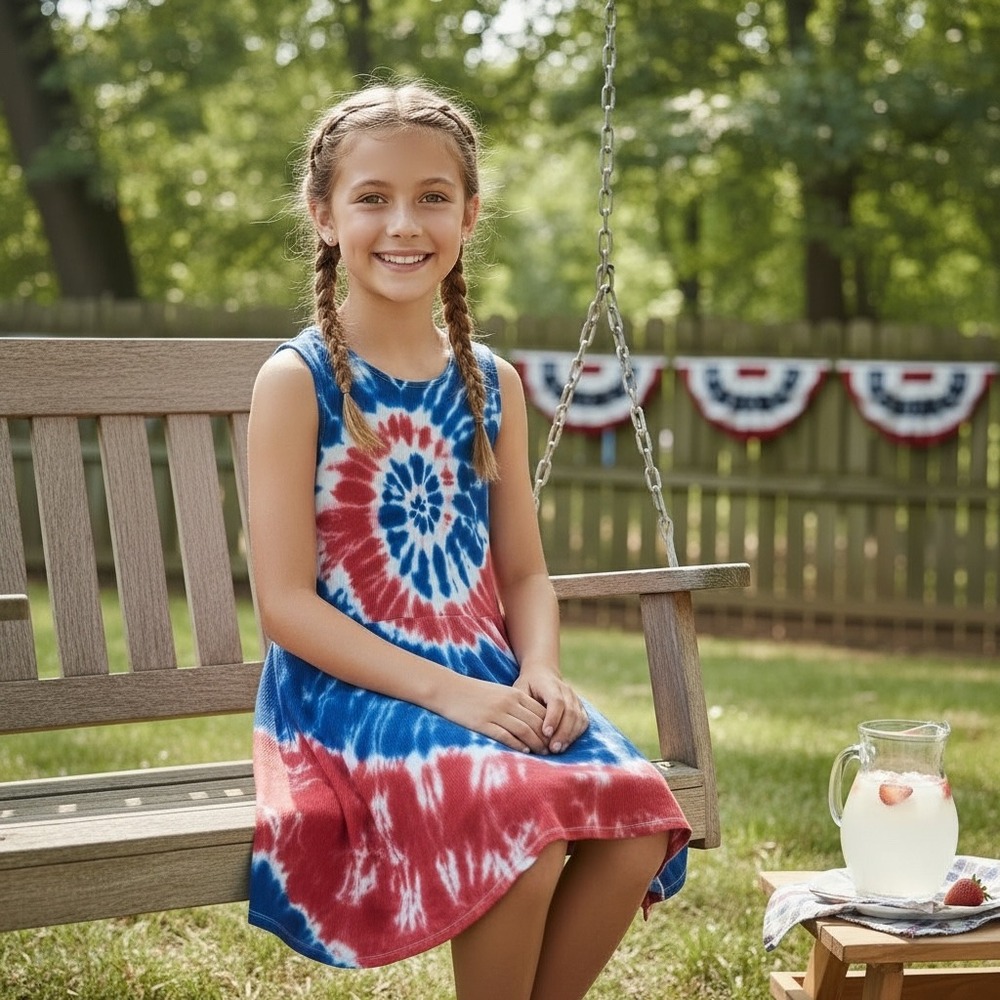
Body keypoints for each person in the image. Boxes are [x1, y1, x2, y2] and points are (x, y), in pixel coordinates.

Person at [246, 80, 691, 1000]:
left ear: (470, 214)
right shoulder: (298, 381)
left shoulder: (490, 383)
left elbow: (523, 572)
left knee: (639, 818)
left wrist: (540, 672)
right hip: (350, 700)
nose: (404, 224)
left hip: (488, 682)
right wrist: (455, 696)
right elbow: (286, 607)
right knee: (521, 832)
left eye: (433, 197)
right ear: (324, 215)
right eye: (373, 198)